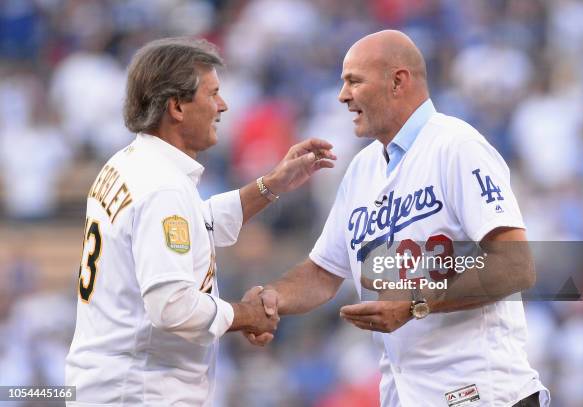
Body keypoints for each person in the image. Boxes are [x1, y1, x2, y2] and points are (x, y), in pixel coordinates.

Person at [244, 30, 550, 406]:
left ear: (397, 81)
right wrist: (269, 299)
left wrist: (415, 301)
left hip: (483, 392)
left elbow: (517, 265)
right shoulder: (362, 168)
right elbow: (322, 273)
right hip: (408, 395)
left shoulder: (456, 146)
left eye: (354, 80)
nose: (342, 95)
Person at [65, 37, 335, 406]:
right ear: (176, 106)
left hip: (113, 383)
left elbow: (192, 227)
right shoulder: (162, 187)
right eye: (213, 94)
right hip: (140, 391)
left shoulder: (129, 162)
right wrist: (243, 315)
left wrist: (271, 185)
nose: (222, 106)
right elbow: (171, 306)